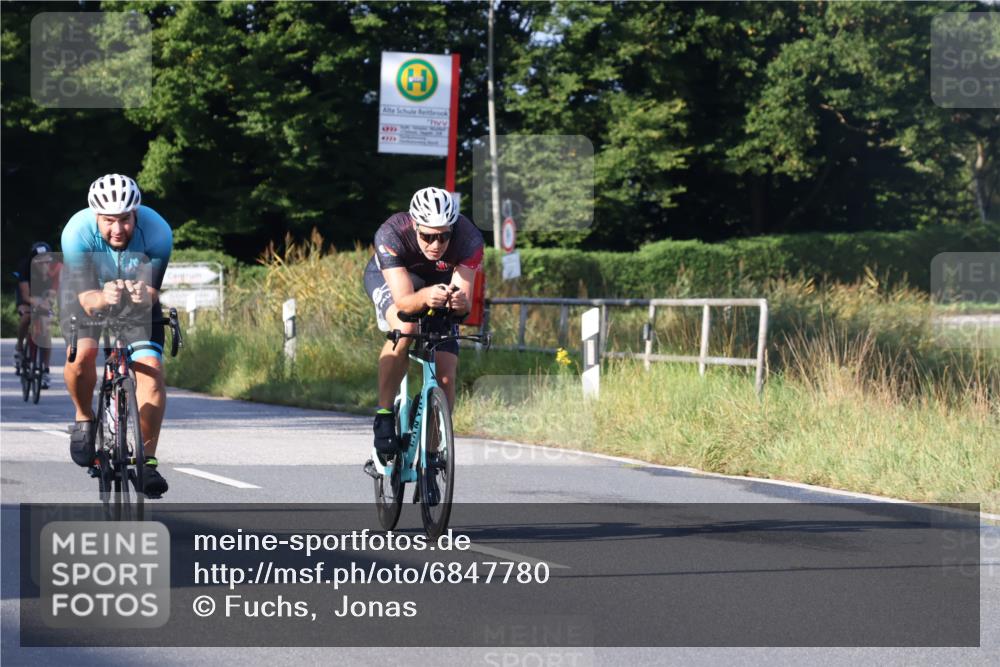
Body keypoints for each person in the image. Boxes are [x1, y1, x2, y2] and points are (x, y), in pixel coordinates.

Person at [60, 174, 174, 498]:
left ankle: (146, 461)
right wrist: (102, 296)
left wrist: (141, 293)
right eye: (109, 221)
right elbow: (86, 298)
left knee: (150, 368)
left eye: (125, 219)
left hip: (134, 298)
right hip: (88, 293)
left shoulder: (158, 232)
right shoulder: (76, 234)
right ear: (97, 216)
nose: (118, 229)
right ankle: (84, 416)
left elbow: (152, 291)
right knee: (82, 356)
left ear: (136, 213)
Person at [363, 186, 484, 461]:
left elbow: (463, 299)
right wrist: (427, 297)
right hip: (395, 282)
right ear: (415, 225)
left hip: (435, 287)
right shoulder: (391, 233)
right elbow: (405, 301)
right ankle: (383, 417)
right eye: (428, 236)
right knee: (406, 328)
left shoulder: (470, 239)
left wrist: (459, 304)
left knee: (445, 375)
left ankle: (431, 456)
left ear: (452, 229)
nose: (436, 244)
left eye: (443, 237)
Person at [14, 242, 61, 388]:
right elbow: (26, 295)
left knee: (45, 330)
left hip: (43, 295)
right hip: (27, 296)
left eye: (46, 261)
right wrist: (35, 304)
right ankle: (20, 347)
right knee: (26, 317)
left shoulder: (55, 269)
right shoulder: (25, 268)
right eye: (39, 261)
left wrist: (48, 303)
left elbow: (53, 292)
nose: (43, 264)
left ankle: (45, 370)